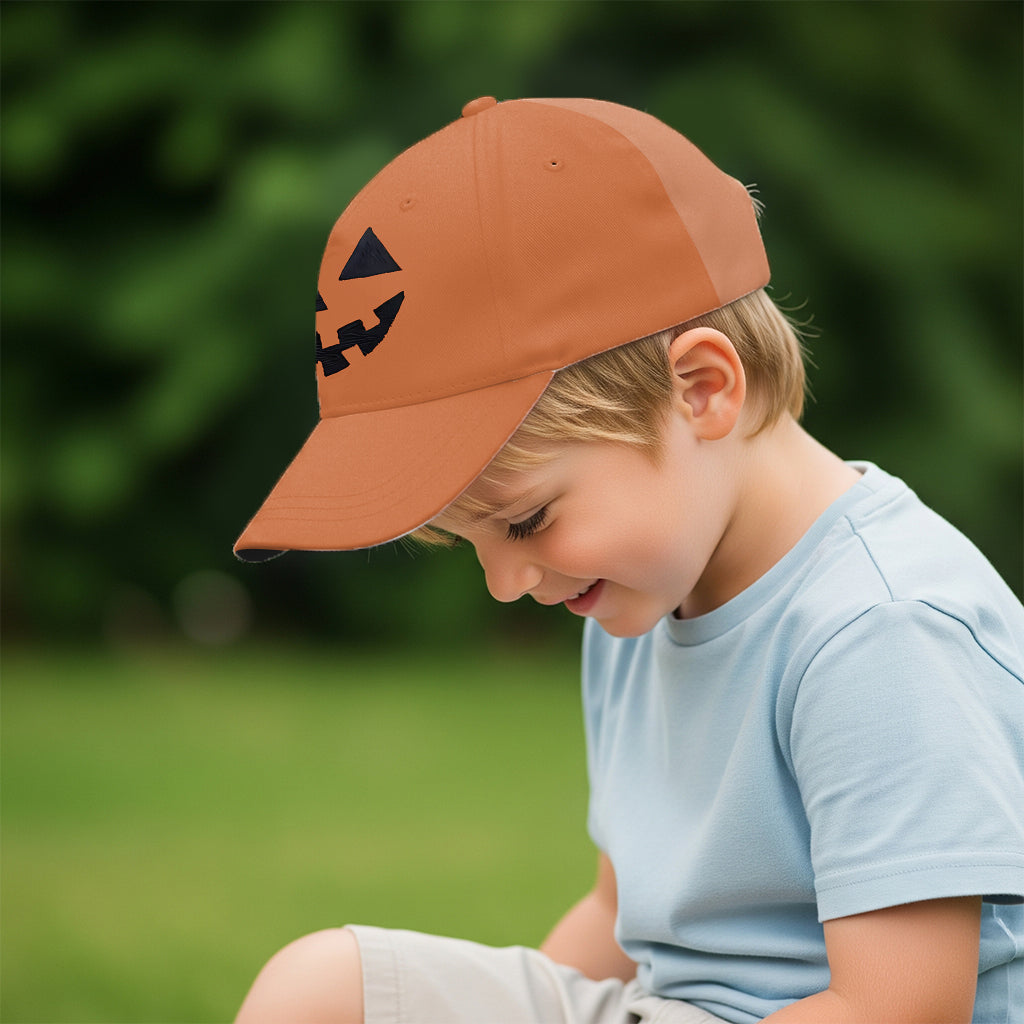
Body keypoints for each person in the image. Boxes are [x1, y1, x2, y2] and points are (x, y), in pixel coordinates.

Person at [232, 97, 1024, 1023]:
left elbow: (899, 1009)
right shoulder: (635, 594)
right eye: (471, 542)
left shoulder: (878, 628)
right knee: (322, 991)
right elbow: (620, 917)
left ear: (701, 390)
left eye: (524, 522)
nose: (505, 583)